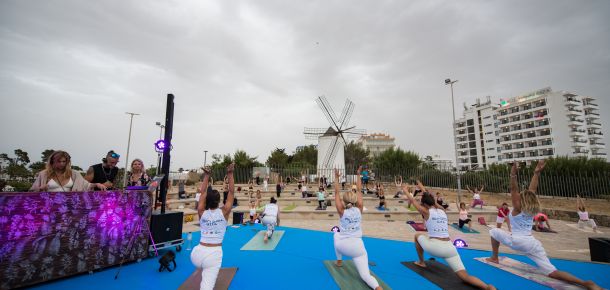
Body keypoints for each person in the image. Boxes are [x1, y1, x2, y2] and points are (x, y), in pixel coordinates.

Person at [487, 161, 602, 290]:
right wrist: (536, 173)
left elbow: (514, 189)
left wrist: (513, 174)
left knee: (493, 232)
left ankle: (494, 257)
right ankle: (585, 283)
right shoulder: (530, 209)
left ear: (521, 200)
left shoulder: (518, 208)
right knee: (552, 272)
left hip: (518, 241)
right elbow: (532, 190)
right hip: (533, 243)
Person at [404, 181, 495, 290]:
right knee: (465, 276)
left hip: (435, 247)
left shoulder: (425, 212)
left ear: (424, 204)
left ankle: (421, 262)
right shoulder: (442, 210)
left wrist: (404, 190)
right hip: (450, 248)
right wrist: (422, 188)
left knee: (417, 236)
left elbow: (412, 200)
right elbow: (431, 201)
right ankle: (487, 287)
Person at [332, 167, 381, 290]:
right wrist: (358, 175)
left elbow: (336, 192)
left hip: (343, 246)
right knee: (366, 275)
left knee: (335, 233)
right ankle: (378, 288)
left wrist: (337, 177)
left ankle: (339, 261)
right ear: (354, 200)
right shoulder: (359, 209)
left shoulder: (341, 211)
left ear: (344, 201)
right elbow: (359, 189)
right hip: (359, 248)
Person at [191, 163, 235, 290]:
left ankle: (203, 268)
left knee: (205, 270)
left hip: (196, 254)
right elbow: (231, 192)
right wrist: (230, 174)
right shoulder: (224, 211)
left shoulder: (201, 211)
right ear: (219, 200)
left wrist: (206, 176)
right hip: (213, 255)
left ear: (206, 201)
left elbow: (202, 192)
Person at [30, 150, 103, 192]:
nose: (62, 164)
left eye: (64, 161)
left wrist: (96, 184)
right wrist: (40, 189)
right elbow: (32, 192)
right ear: (52, 161)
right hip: (49, 207)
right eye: (59, 161)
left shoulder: (74, 174)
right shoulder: (44, 174)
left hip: (68, 207)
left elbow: (86, 185)